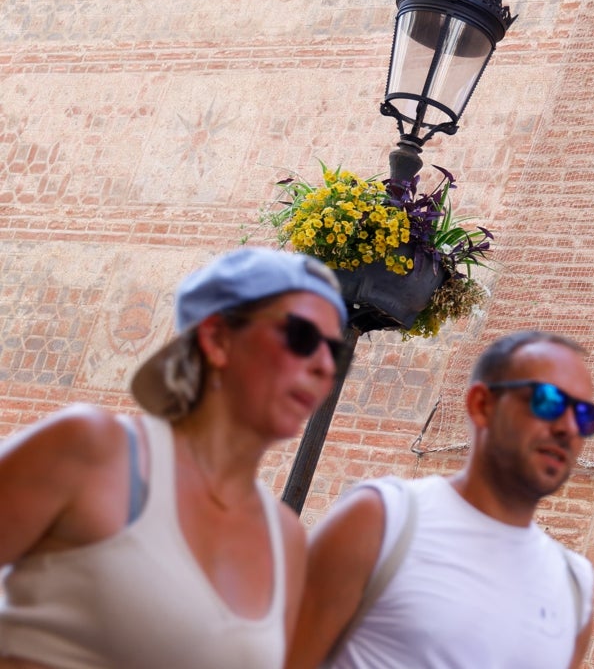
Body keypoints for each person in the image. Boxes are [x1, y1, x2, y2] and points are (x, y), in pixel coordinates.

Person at [0, 247, 347, 669]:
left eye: (335, 351)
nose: (324, 366)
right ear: (217, 338)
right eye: (302, 337)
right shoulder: (92, 451)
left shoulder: (287, 540)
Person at [287, 330, 594, 669]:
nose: (568, 427)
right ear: (482, 405)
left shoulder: (574, 587)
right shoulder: (381, 521)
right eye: (548, 401)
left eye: (585, 416)